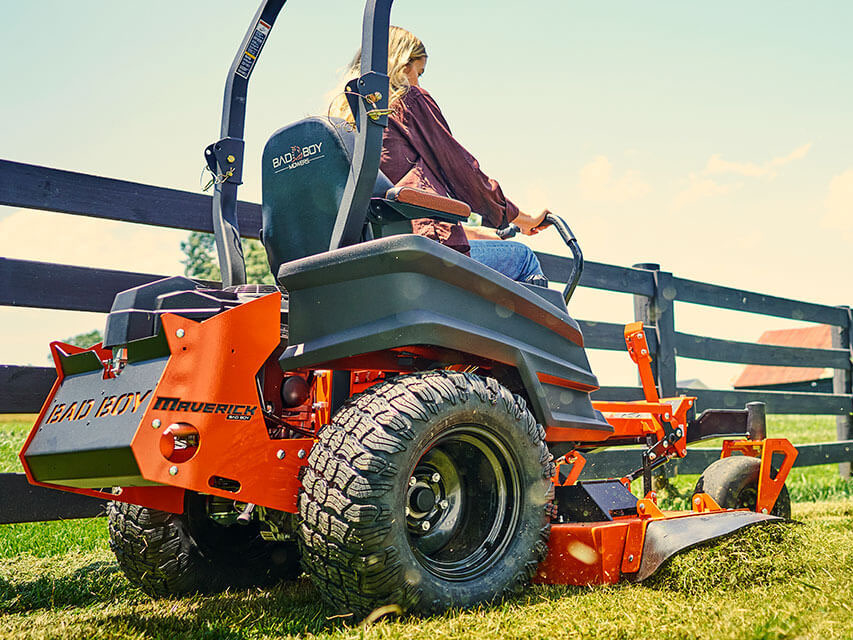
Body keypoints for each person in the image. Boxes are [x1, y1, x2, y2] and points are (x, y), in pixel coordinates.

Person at [329, 27, 549, 285]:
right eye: (418, 73)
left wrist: (476, 232)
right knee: (522, 259)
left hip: (374, 253)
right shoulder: (407, 102)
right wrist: (521, 218)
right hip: (421, 255)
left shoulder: (347, 128)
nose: (419, 83)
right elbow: (463, 173)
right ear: (401, 65)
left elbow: (393, 210)